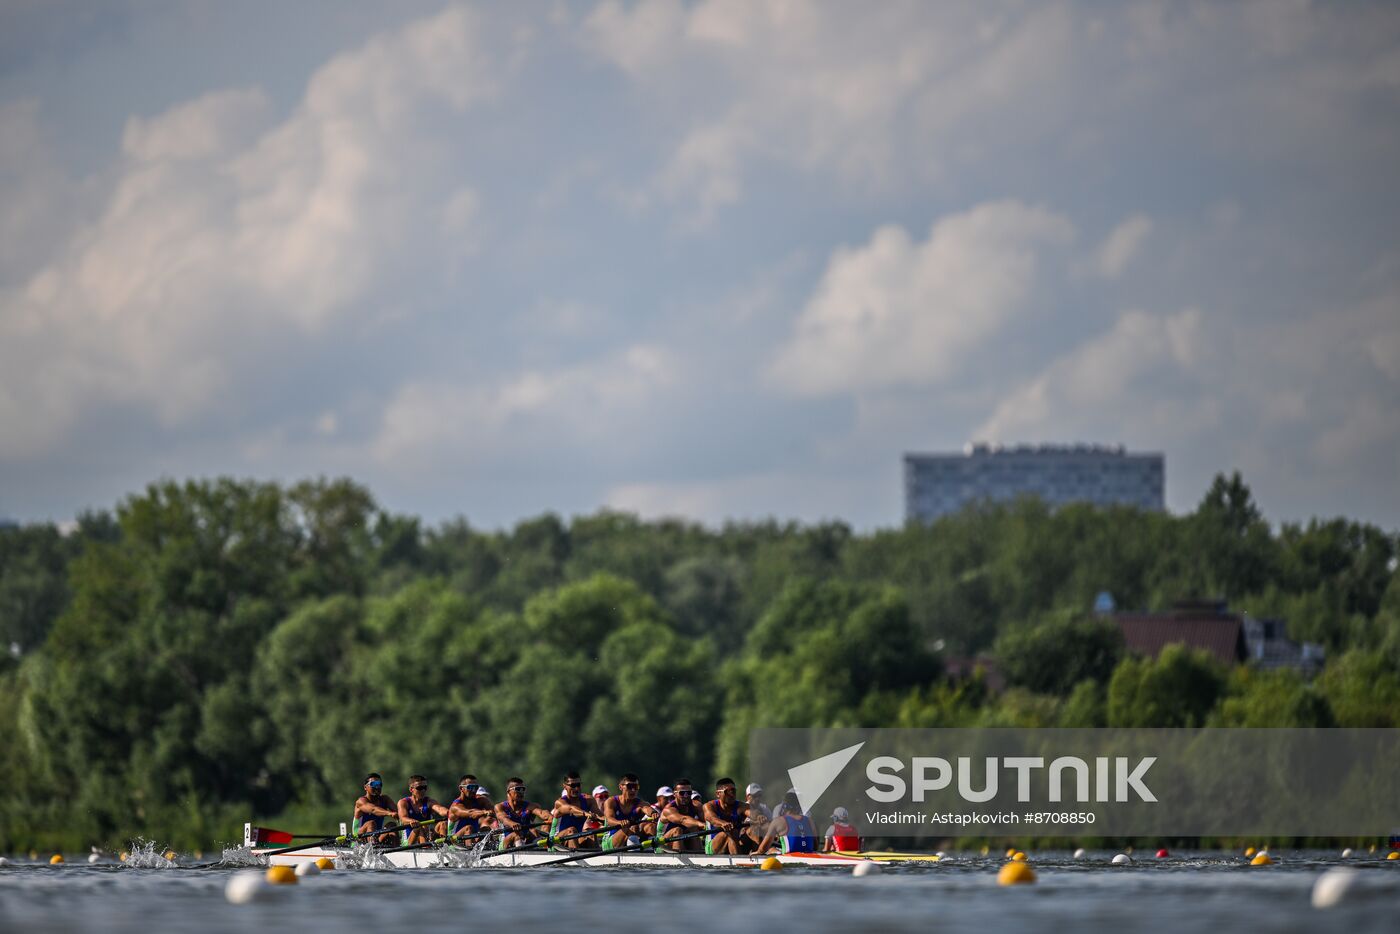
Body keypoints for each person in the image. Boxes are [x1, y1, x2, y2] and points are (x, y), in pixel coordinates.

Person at [494, 778, 554, 849]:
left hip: (525, 839)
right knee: (517, 835)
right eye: (518, 789)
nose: (521, 792)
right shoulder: (500, 807)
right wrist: (512, 823)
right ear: (508, 792)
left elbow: (542, 813)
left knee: (534, 831)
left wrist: (550, 817)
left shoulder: (530, 806)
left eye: (523, 789)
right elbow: (504, 819)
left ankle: (541, 850)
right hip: (506, 843)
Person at [601, 773, 655, 850]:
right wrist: (620, 823)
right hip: (610, 841)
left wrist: (653, 813)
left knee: (651, 826)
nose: (633, 790)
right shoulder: (611, 801)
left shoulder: (640, 803)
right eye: (629, 786)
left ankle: (651, 854)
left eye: (636, 787)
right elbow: (609, 820)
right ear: (620, 787)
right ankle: (635, 856)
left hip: (631, 836)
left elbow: (647, 808)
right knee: (631, 828)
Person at [757, 790, 818, 854]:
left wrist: (756, 852)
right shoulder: (810, 821)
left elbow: (763, 849)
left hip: (789, 859)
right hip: (810, 857)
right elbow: (815, 846)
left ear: (784, 806)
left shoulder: (777, 821)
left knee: (771, 850)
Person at [550, 771, 597, 850]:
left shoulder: (589, 800)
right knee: (571, 830)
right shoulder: (560, 803)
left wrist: (607, 820)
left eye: (578, 785)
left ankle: (597, 859)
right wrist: (586, 814)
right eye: (573, 785)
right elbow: (571, 809)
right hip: (557, 842)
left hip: (577, 838)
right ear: (564, 786)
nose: (576, 788)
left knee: (590, 833)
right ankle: (576, 857)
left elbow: (600, 815)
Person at [397, 775, 450, 845]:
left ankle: (445, 847)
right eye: (419, 788)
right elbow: (403, 818)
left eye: (425, 787)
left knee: (443, 823)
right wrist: (411, 821)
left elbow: (440, 809)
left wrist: (450, 813)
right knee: (419, 827)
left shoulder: (429, 801)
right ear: (411, 789)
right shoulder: (403, 802)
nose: (423, 790)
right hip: (408, 842)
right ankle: (426, 848)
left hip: (427, 837)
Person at [702, 777, 749, 855]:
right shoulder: (709, 806)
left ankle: (759, 856)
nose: (731, 794)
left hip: (736, 842)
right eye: (727, 791)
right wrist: (722, 823)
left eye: (733, 791)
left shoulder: (741, 806)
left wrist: (759, 817)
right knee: (727, 833)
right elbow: (712, 818)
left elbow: (751, 813)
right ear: (718, 794)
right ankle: (738, 863)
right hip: (713, 847)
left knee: (752, 831)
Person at [658, 778, 707, 852]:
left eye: (689, 793)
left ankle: (698, 858)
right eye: (682, 793)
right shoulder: (669, 809)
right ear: (675, 794)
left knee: (693, 829)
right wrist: (702, 824)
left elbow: (707, 820)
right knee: (677, 830)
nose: (686, 796)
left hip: (683, 841)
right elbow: (683, 820)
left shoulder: (697, 805)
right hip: (662, 845)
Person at [352, 773, 397, 844]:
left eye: (379, 784)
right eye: (373, 784)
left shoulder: (385, 799)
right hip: (359, 840)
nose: (377, 787)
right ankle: (372, 848)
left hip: (377, 837)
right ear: (365, 787)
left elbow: (398, 812)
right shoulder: (361, 801)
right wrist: (389, 813)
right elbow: (374, 809)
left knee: (391, 825)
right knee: (371, 823)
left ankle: (397, 849)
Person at [448, 775, 494, 843]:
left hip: (472, 837)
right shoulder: (455, 806)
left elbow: (494, 811)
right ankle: (470, 849)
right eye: (470, 787)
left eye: (476, 787)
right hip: (453, 841)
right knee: (468, 828)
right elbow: (471, 813)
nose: (474, 790)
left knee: (486, 829)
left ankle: (489, 849)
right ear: (461, 788)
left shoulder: (481, 800)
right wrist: (485, 812)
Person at [744, 782, 771, 850]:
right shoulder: (742, 808)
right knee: (754, 828)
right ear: (747, 797)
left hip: (760, 838)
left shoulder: (764, 808)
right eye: (755, 796)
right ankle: (761, 852)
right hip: (744, 841)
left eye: (759, 795)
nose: (758, 798)